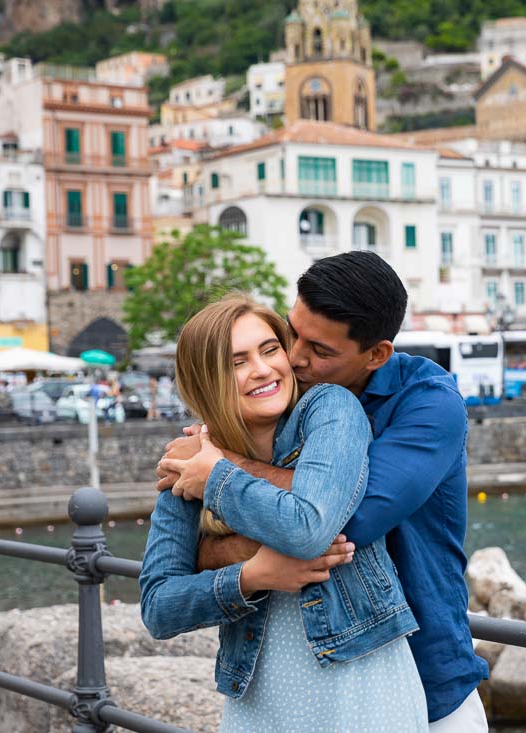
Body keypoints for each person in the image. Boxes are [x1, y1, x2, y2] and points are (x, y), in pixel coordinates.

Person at [156, 252, 490, 731]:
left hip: (428, 675)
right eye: (291, 333)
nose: (293, 357)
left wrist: (219, 483)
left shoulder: (429, 404)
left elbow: (335, 521)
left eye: (320, 349)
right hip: (294, 692)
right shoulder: (275, 409)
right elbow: (162, 598)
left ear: (376, 355)